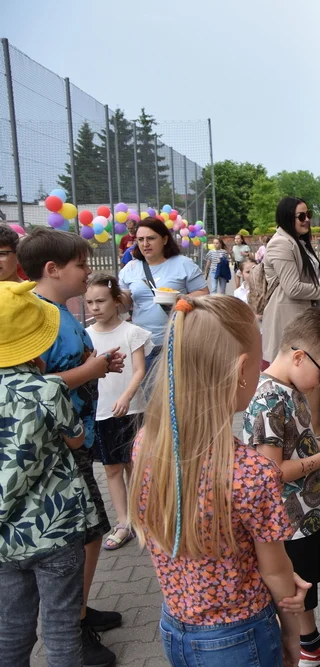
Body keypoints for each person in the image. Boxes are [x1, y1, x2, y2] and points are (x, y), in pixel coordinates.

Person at [128, 295, 310, 667]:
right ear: (242, 369)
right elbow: (274, 571)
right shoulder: (251, 472)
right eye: (259, 361)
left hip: (175, 627)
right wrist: (293, 635)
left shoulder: (147, 443)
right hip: (241, 636)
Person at [17, 228, 127, 667]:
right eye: (82, 265)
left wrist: (96, 368)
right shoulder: (38, 317)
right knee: (84, 533)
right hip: (63, 442)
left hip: (74, 435)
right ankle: (72, 625)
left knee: (91, 532)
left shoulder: (57, 312)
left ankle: (78, 610)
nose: (88, 274)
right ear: (52, 269)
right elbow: (34, 385)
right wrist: (91, 369)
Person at [244, 308, 320, 665]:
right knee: (294, 592)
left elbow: (297, 445)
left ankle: (310, 642)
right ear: (299, 356)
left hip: (304, 516)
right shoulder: (269, 399)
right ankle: (299, 652)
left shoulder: (290, 387)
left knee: (308, 586)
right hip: (286, 523)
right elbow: (272, 472)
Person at [0, 281, 95, 667]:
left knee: (11, 627)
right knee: (60, 627)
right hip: (55, 528)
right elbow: (75, 440)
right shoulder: (46, 390)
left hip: (5, 537)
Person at [261, 197, 320, 443]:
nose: (307, 220)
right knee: (293, 378)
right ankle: (295, 436)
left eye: (308, 215)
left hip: (304, 318)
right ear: (287, 217)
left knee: (315, 375)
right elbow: (293, 288)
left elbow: (307, 281)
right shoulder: (281, 244)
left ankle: (314, 431)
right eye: (301, 216)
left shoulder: (298, 242)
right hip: (288, 319)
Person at [84, 274, 153, 551]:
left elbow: (139, 370)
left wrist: (127, 396)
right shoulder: (85, 334)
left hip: (132, 409)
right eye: (89, 302)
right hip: (101, 412)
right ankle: (124, 521)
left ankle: (143, 517)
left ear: (115, 301)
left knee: (135, 466)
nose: (95, 307)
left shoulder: (131, 332)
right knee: (112, 468)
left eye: (100, 301)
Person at [118, 219, 208, 373]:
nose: (145, 244)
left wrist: (180, 299)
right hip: (143, 344)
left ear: (165, 239)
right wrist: (113, 299)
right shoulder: (130, 269)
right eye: (140, 239)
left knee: (178, 393)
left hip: (178, 340)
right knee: (149, 394)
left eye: (151, 238)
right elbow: (124, 304)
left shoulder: (183, 264)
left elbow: (204, 294)